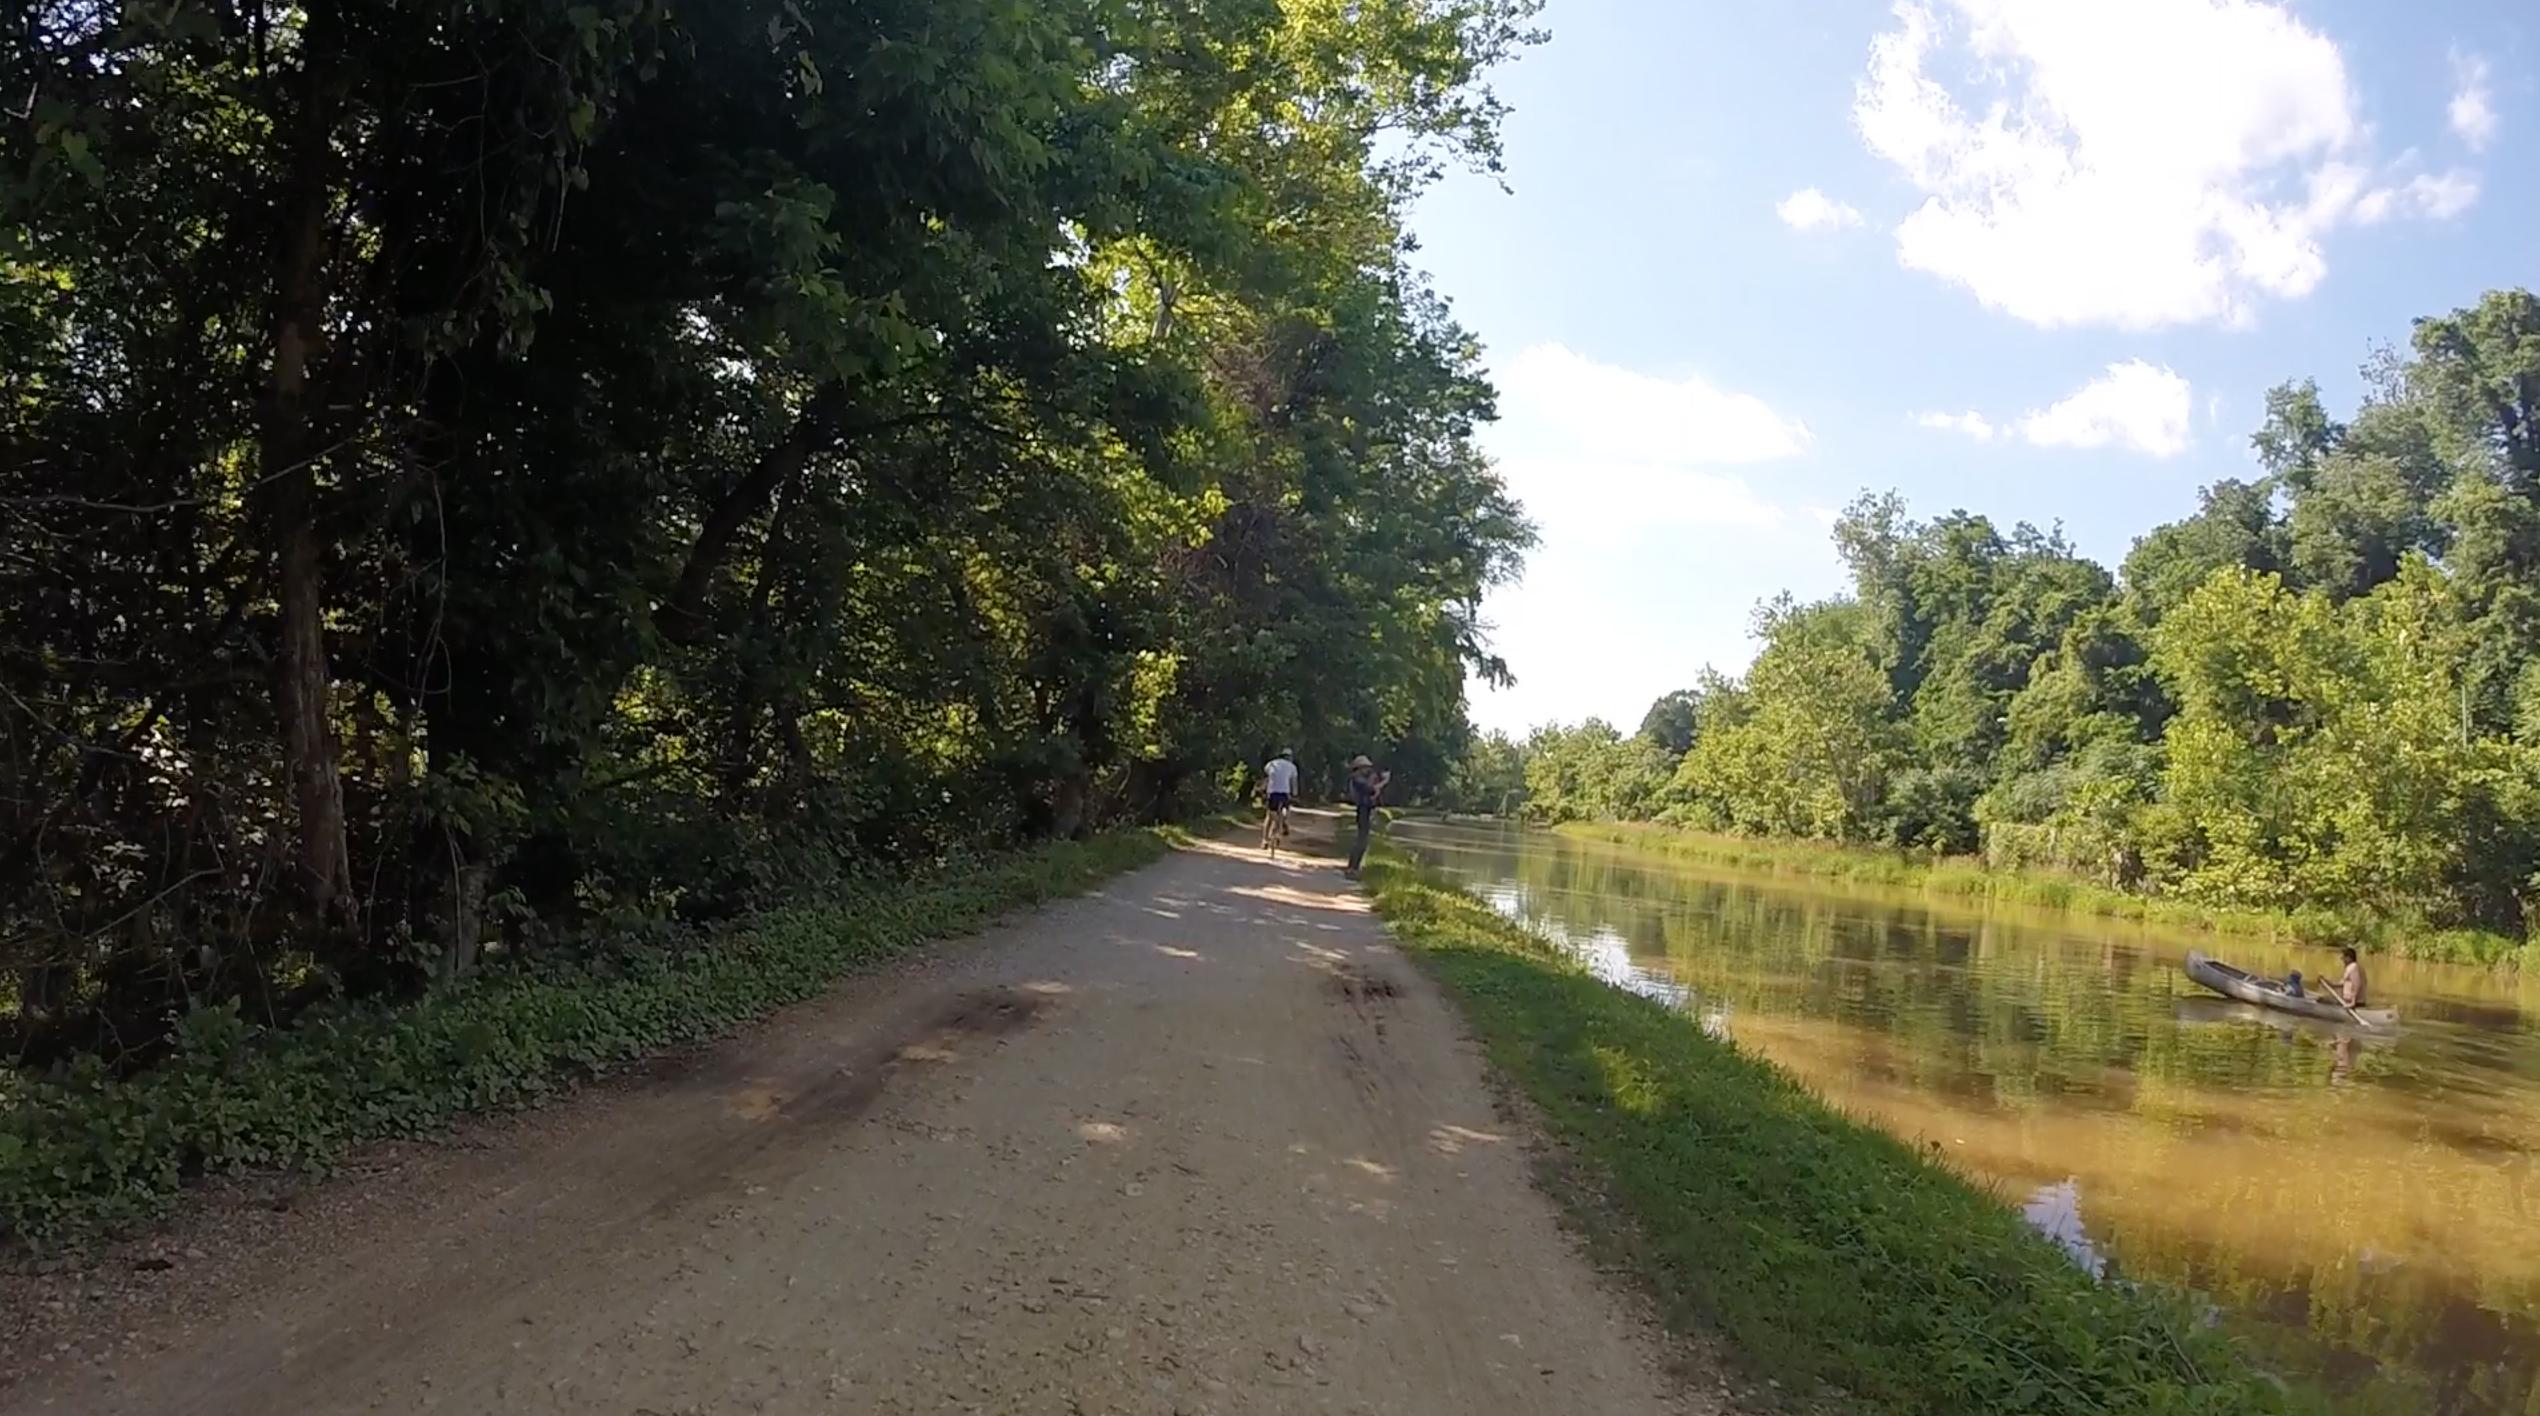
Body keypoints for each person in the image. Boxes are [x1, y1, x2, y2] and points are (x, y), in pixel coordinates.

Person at [1342, 754, 1390, 879]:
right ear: (1360, 767)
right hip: (1363, 809)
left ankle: (1354, 868)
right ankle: (1352, 868)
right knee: (1361, 840)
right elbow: (1371, 790)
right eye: (1365, 767)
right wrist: (1383, 782)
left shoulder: (1359, 778)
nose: (1368, 770)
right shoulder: (1358, 779)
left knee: (1363, 839)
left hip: (1365, 809)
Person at [1261, 747, 1298, 850]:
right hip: (1284, 793)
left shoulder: (1271, 764)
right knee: (1285, 810)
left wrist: (1263, 790)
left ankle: (1265, 840)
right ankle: (1282, 824)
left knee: (1269, 816)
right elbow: (1293, 782)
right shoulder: (1292, 767)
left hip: (1272, 793)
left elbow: (1267, 777)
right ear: (1289, 757)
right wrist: (1295, 794)